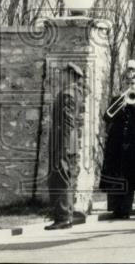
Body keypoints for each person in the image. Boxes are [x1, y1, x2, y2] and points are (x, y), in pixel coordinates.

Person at [101, 59, 135, 219]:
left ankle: (125, 210)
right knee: (117, 176)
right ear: (123, 83)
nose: (130, 84)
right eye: (127, 81)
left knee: (130, 178)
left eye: (133, 82)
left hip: (134, 145)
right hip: (116, 144)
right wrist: (120, 102)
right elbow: (107, 116)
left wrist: (134, 102)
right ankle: (116, 208)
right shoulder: (116, 99)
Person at [45, 62, 86, 230]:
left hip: (63, 142)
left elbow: (67, 122)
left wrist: (61, 145)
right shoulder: (75, 93)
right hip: (66, 142)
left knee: (59, 179)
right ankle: (66, 215)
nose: (60, 76)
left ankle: (63, 218)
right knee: (65, 179)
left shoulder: (68, 94)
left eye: (63, 73)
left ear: (70, 74)